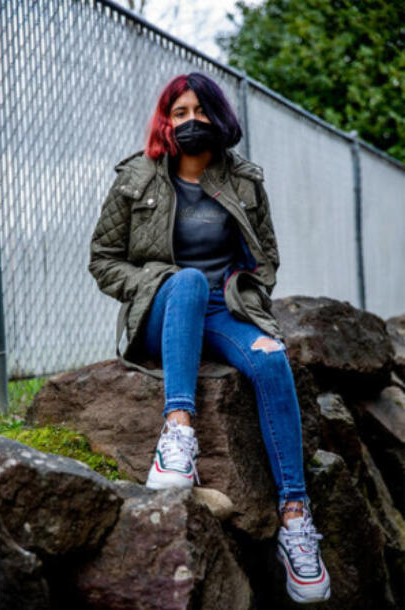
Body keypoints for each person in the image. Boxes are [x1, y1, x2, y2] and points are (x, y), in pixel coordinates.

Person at [88, 72, 329, 604]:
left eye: (200, 111)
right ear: (165, 121)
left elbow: (264, 258)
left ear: (217, 117)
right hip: (163, 305)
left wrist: (249, 297)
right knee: (189, 281)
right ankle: (178, 435)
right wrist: (155, 283)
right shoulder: (137, 177)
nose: (190, 120)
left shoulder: (243, 179)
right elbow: (103, 262)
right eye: (179, 112)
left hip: (226, 310)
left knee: (271, 360)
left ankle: (295, 519)